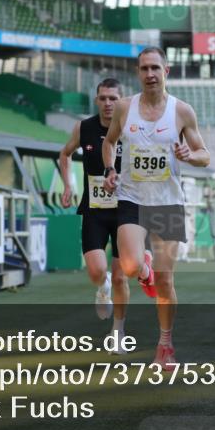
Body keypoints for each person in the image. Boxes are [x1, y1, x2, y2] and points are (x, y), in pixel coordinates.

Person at [102, 47, 210, 369]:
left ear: (167, 71)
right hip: (132, 198)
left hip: (168, 202)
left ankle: (165, 345)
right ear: (138, 73)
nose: (149, 74)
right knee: (131, 267)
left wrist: (191, 156)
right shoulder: (124, 108)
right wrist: (110, 170)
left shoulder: (182, 112)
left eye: (155, 68)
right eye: (144, 68)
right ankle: (143, 269)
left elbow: (204, 153)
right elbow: (109, 143)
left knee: (165, 281)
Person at [59, 78, 130, 346]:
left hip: (125, 211)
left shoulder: (130, 128)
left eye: (113, 98)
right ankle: (103, 287)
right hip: (95, 210)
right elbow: (65, 154)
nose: (108, 103)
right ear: (96, 99)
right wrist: (68, 185)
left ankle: (118, 333)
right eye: (103, 98)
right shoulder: (84, 127)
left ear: (121, 100)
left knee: (122, 275)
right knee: (97, 271)